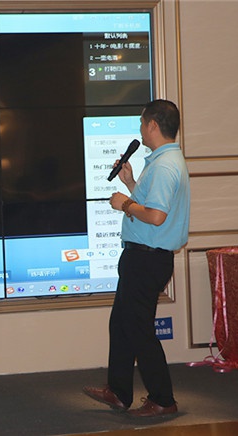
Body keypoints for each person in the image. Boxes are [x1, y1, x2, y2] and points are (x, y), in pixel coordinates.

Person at [83, 99, 190, 418]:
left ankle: (163, 399)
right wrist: (130, 182)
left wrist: (125, 204)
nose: (141, 129)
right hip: (143, 257)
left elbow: (156, 216)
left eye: (143, 123)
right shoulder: (163, 161)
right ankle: (118, 391)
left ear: (153, 125)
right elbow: (153, 205)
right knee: (122, 322)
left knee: (139, 329)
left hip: (147, 259)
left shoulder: (164, 165)